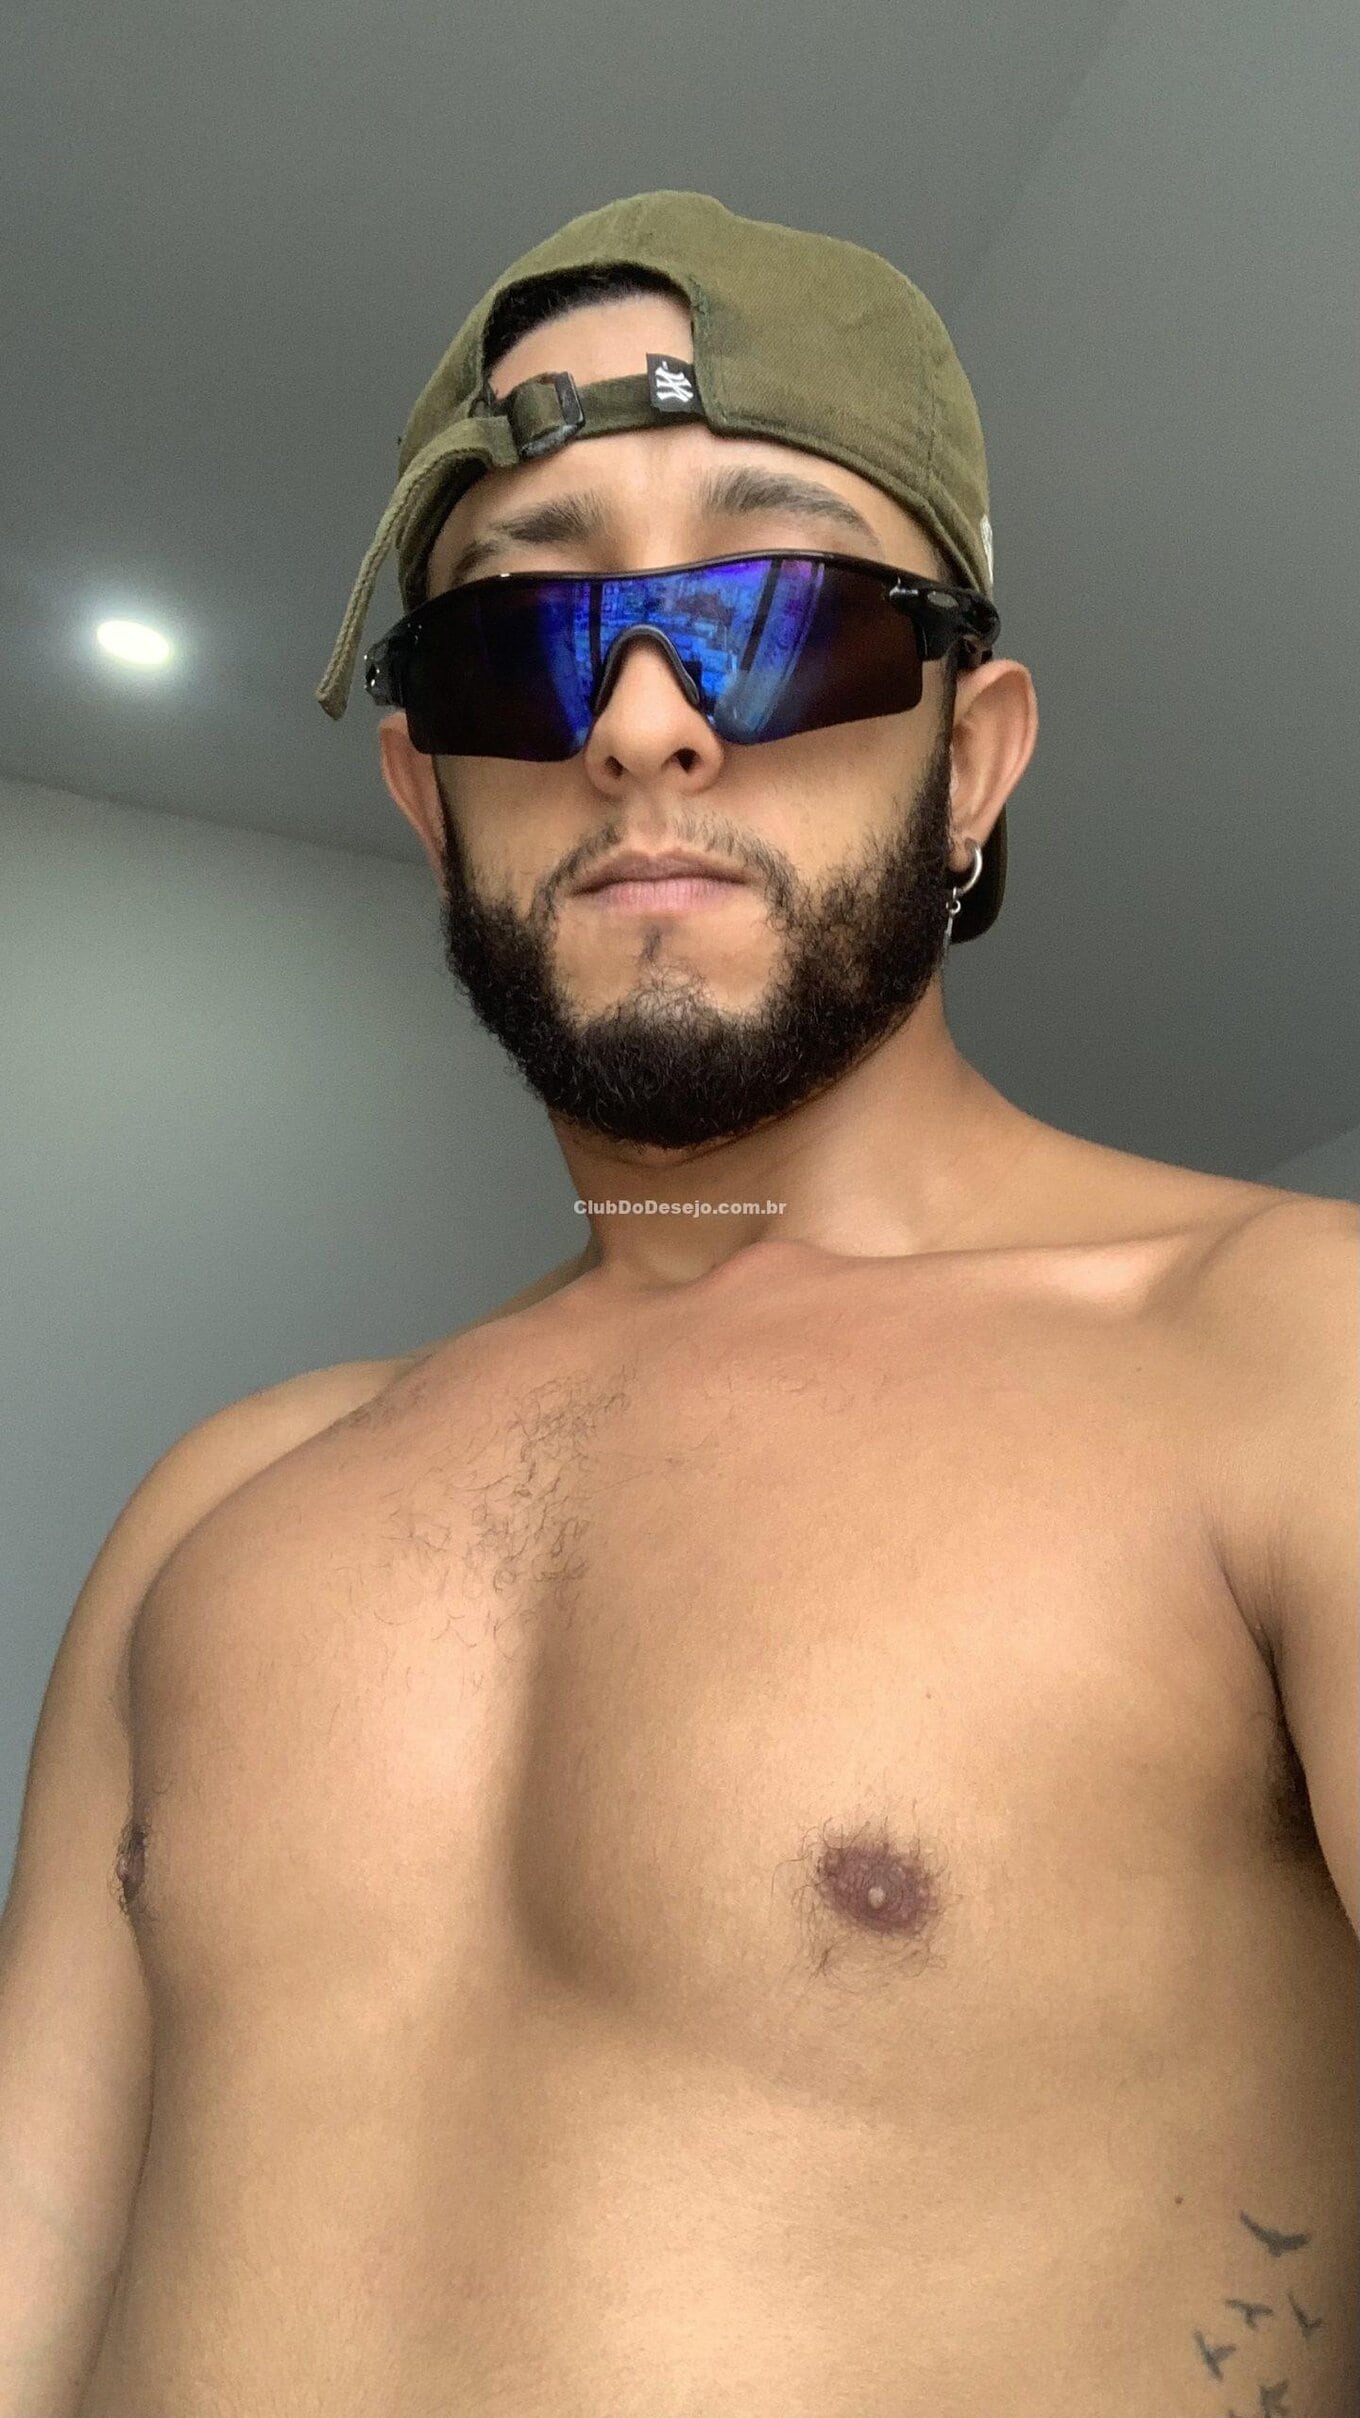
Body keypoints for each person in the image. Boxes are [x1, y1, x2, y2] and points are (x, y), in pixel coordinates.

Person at [3, 192, 1356, 2418]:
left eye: (777, 613)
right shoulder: (213, 1517)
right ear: (428, 795)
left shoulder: (1292, 1364)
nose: (642, 726)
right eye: (519, 644)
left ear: (973, 756)